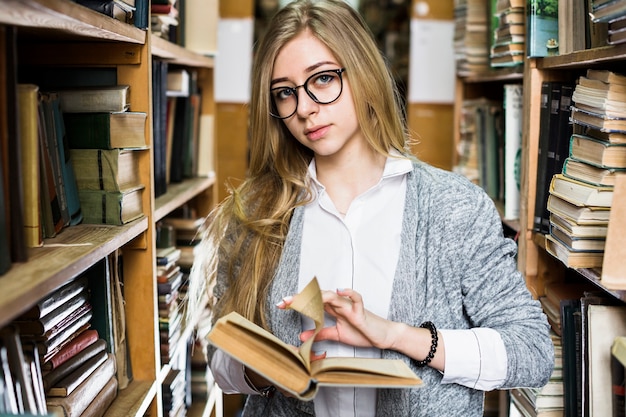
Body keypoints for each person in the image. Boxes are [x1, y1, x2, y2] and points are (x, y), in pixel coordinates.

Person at [188, 0, 554, 416]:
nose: (305, 108)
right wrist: (269, 370)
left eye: (323, 79)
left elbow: (532, 351)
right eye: (285, 93)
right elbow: (221, 362)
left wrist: (398, 336)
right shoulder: (256, 211)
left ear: (362, 72)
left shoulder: (454, 207)